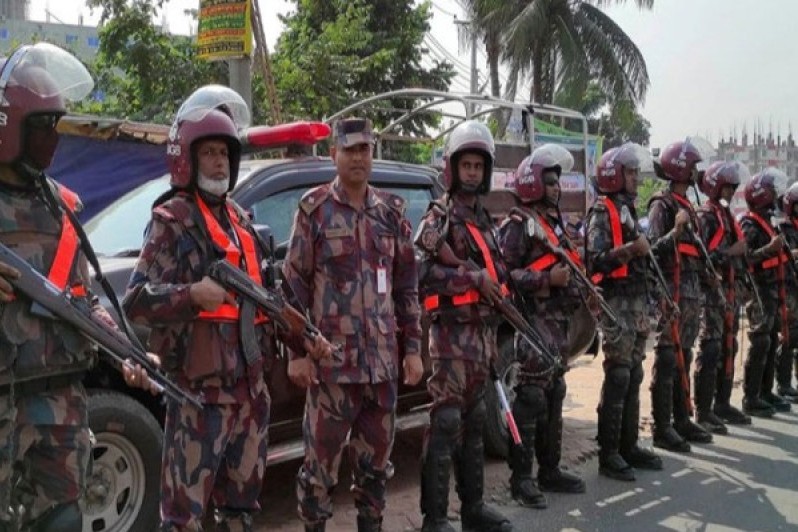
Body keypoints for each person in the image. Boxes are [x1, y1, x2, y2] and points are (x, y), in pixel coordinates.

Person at [123, 86, 332, 532]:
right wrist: (191, 295)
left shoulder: (242, 223)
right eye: (210, 153)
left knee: (240, 511)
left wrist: (306, 338)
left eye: (225, 153)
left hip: (251, 395)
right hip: (199, 397)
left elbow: (273, 303)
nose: (219, 162)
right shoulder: (172, 221)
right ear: (189, 159)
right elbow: (136, 299)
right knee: (183, 518)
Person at [0, 42, 158, 531]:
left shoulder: (58, 204)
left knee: (65, 521)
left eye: (56, 126)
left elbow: (82, 301)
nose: (53, 139)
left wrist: (123, 348)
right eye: (43, 127)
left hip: (63, 407)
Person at [282, 117, 423, 532]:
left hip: (380, 370)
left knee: (376, 471)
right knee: (319, 472)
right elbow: (293, 288)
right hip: (331, 370)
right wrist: (296, 352)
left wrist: (412, 349)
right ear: (334, 155)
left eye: (365, 149)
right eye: (350, 150)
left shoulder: (392, 213)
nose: (359, 157)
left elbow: (406, 287)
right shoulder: (314, 210)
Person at [415, 120, 512, 531]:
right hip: (451, 340)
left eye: (478, 166)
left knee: (474, 424)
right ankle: (434, 518)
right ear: (452, 168)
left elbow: (498, 269)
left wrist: (498, 287)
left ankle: (473, 508)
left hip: (482, 340)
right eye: (466, 165)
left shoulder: (486, 221)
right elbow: (421, 274)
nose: (472, 172)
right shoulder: (438, 217)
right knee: (446, 423)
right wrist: (472, 279)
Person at [498, 144, 586, 504]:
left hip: (559, 326)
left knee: (554, 395)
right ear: (533, 183)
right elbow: (505, 275)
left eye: (557, 181)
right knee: (531, 398)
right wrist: (547, 281)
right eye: (549, 181)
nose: (556, 187)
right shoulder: (518, 225)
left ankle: (549, 471)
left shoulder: (551, 224)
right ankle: (521, 480)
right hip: (534, 323)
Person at [585, 143, 663, 482]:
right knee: (617, 374)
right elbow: (594, 259)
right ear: (614, 175)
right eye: (630, 173)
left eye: (635, 172)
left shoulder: (629, 210)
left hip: (637, 303)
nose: (635, 178)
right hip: (616, 303)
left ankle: (629, 445)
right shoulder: (602, 211)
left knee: (633, 373)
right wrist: (631, 249)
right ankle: (609, 453)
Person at [647, 138, 713, 451]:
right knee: (667, 354)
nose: (697, 173)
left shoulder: (690, 206)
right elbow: (653, 249)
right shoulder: (663, 204)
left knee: (683, 354)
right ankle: (662, 427)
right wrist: (675, 230)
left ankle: (681, 418)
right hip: (669, 290)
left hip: (690, 291)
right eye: (693, 167)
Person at [694, 162, 752, 429]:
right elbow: (703, 256)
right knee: (711, 347)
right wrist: (732, 252)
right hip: (711, 293)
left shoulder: (726, 215)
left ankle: (722, 403)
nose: (730, 192)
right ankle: (703, 411)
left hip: (729, 293)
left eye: (733, 187)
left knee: (730, 345)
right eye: (727, 186)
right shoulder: (707, 216)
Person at [738, 169, 793, 417]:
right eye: (771, 192)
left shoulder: (769, 222)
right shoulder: (749, 224)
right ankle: (751, 396)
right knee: (760, 341)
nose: (775, 197)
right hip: (759, 290)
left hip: (772, 291)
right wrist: (770, 249)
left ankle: (765, 391)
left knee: (770, 340)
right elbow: (748, 258)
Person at [775, 182, 798, 402]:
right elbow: (782, 253)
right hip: (789, 286)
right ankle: (782, 383)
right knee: (789, 335)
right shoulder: (784, 227)